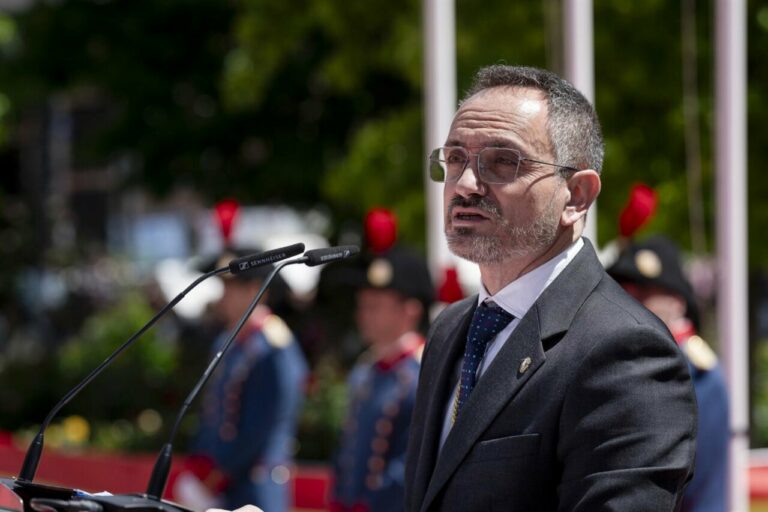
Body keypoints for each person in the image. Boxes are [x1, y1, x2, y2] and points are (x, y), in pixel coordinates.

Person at [404, 65, 697, 511]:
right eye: (456, 158)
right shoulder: (450, 330)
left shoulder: (625, 350)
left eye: (503, 161)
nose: (464, 185)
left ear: (576, 195)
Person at [608, 235, 729, 512]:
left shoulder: (699, 375)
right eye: (624, 291)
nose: (630, 302)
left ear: (678, 302)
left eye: (644, 293)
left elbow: (699, 488)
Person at [331, 209, 435, 512]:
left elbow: (413, 462)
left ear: (410, 311)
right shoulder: (366, 370)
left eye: (375, 306)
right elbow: (349, 451)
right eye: (362, 305)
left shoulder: (425, 372)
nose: (363, 315)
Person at [190, 248, 308, 512]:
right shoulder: (229, 340)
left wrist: (217, 474)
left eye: (232, 288)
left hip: (256, 484)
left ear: (257, 290)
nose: (223, 297)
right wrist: (203, 463)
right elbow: (215, 412)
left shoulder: (273, 345)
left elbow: (262, 424)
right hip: (223, 483)